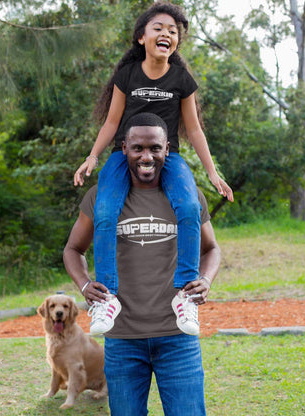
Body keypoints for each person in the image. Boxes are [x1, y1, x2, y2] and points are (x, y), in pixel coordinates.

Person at [72, 1, 232, 333]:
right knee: (105, 210)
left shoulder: (181, 79)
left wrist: (213, 172)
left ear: (176, 43)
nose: (166, 34)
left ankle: (185, 295)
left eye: (173, 31)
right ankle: (107, 298)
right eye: (158, 28)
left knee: (188, 206)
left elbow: (196, 129)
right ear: (142, 37)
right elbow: (111, 121)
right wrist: (92, 156)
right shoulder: (127, 75)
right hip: (123, 155)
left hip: (167, 157)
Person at [64, 112, 221, 416]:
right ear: (124, 148)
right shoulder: (101, 198)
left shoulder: (189, 197)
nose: (146, 156)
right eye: (138, 148)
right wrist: (84, 285)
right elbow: (73, 249)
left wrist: (207, 279)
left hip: (178, 337)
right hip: (122, 340)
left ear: (167, 150)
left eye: (155, 148)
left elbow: (211, 248)